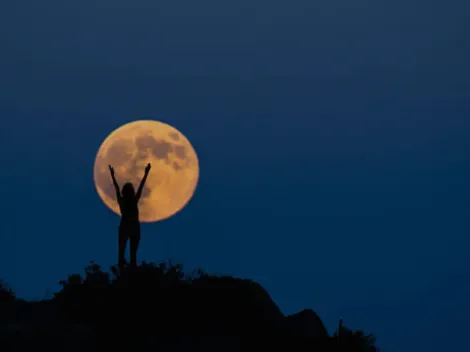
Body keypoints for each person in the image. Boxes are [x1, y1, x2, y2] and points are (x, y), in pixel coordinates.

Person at [109, 163, 151, 269]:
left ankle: (127, 270)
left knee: (126, 254)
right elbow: (118, 188)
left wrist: (113, 176)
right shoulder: (131, 200)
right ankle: (126, 270)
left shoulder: (126, 200)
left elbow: (117, 189)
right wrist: (146, 173)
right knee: (128, 254)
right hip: (130, 227)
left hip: (130, 227)